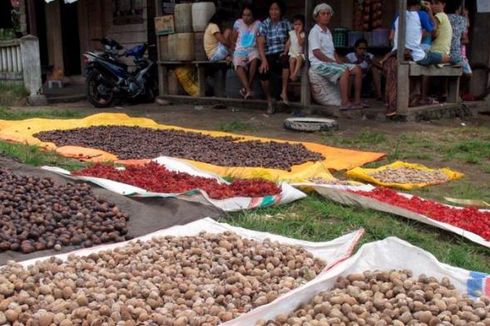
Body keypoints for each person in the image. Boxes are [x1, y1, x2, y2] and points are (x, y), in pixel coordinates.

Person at [308, 3, 364, 110]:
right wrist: (332, 62)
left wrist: (338, 62)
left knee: (357, 69)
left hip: (330, 63)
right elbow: (316, 53)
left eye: (328, 14)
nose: (326, 16)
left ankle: (357, 101)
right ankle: (345, 102)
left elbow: (333, 52)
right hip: (319, 64)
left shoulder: (327, 31)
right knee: (344, 71)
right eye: (323, 14)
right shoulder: (314, 31)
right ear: (317, 16)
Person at [257, 0, 292, 114]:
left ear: (281, 11)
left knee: (285, 61)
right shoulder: (265, 24)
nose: (274, 12)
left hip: (282, 52)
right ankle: (269, 101)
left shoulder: (286, 23)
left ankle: (283, 92)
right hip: (268, 54)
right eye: (271, 9)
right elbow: (260, 44)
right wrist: (263, 60)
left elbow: (292, 37)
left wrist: (286, 48)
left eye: (276, 9)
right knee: (263, 72)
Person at [232, 4, 261, 100]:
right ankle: (249, 90)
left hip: (253, 48)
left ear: (253, 16)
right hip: (240, 49)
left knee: (255, 59)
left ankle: (246, 88)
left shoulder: (258, 24)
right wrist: (232, 52)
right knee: (237, 63)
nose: (246, 17)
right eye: (244, 15)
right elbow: (233, 38)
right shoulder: (238, 23)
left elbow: (259, 39)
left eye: (249, 15)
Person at [285, 15, 305, 82]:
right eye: (295, 24)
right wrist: (285, 52)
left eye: (299, 24)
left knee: (299, 58)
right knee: (291, 60)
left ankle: (294, 74)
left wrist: (298, 34)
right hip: (292, 53)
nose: (297, 26)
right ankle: (292, 74)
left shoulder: (303, 34)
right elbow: (288, 43)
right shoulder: (291, 33)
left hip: (300, 53)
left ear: (303, 25)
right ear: (293, 25)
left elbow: (300, 43)